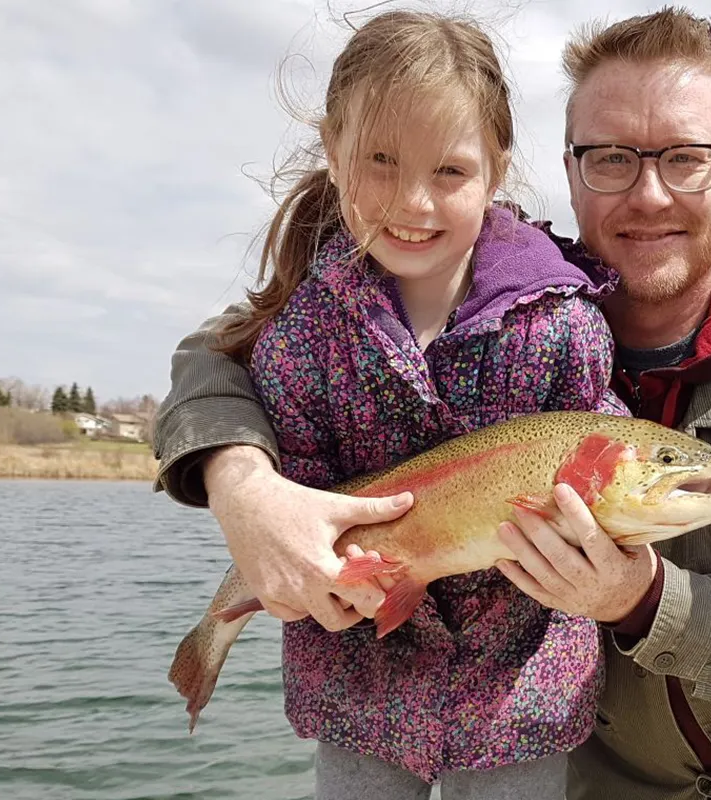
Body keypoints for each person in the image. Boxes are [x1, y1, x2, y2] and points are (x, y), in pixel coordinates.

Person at [156, 7, 711, 800]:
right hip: (621, 777)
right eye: (612, 157)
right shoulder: (516, 297)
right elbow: (223, 351)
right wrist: (241, 482)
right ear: (566, 171)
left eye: (688, 157)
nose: (648, 193)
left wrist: (651, 600)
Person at [168, 9, 633, 799]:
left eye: (449, 172)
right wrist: (318, 578)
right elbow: (298, 498)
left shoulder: (564, 327)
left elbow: (593, 436)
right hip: (359, 690)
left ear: (496, 167)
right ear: (332, 152)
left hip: (519, 696)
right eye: (381, 161)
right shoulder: (299, 340)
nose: (414, 202)